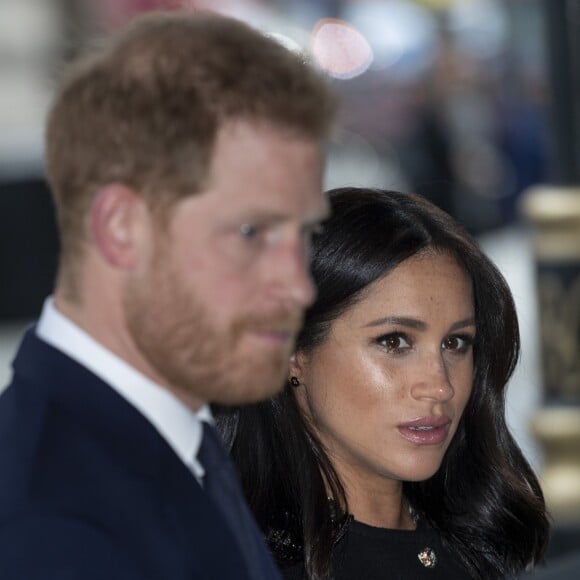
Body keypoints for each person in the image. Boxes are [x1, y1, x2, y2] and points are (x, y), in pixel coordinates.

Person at [0, 10, 336, 580]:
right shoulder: (50, 525)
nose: (299, 284)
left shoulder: (180, 437)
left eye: (305, 234)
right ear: (122, 228)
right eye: (251, 232)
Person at [217, 187, 550, 580]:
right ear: (293, 354)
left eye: (455, 343)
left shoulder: (488, 544)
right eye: (393, 341)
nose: (440, 386)